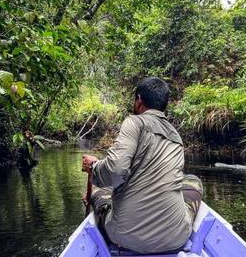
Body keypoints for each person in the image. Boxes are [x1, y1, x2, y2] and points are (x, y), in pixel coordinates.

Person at [82, 77, 203, 254]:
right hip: (176, 238)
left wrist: (94, 167)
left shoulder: (134, 122)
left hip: (127, 238)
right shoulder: (176, 135)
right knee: (193, 181)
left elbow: (115, 171)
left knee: (100, 192)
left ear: (139, 100)